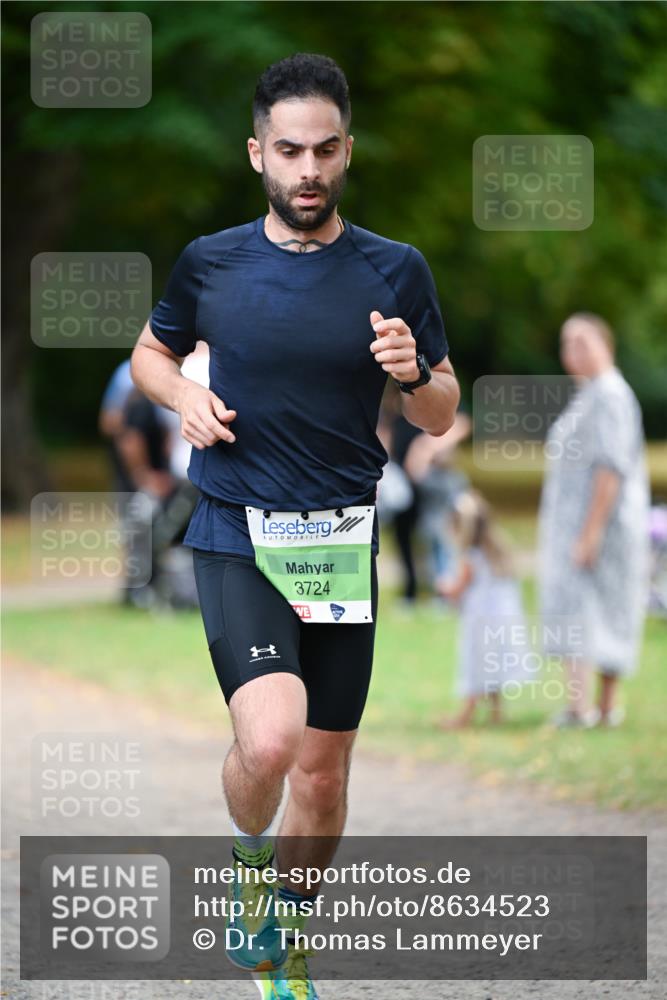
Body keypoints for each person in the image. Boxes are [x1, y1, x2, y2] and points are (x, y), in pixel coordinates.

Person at [130, 53, 459, 999]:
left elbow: (438, 410)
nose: (306, 168)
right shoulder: (213, 261)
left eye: (323, 150)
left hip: (338, 542)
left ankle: (291, 944)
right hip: (236, 529)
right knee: (270, 745)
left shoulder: (396, 270)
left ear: (347, 150)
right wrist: (184, 392)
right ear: (255, 154)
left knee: (321, 774)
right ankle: (247, 866)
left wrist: (409, 371)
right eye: (287, 150)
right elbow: (151, 357)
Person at [537, 313, 650, 728]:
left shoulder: (610, 395)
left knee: (592, 609)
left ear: (607, 343)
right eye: (568, 343)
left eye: (584, 342)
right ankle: (596, 707)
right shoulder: (589, 394)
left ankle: (584, 706)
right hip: (580, 523)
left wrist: (591, 532)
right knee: (589, 608)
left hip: (601, 525)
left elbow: (610, 467)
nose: (574, 351)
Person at [437, 490, 527, 728]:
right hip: (503, 622)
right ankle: (497, 712)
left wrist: (445, 588)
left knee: (476, 666)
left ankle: (465, 715)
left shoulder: (470, 557)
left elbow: (458, 590)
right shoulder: (497, 551)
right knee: (493, 665)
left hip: (480, 622)